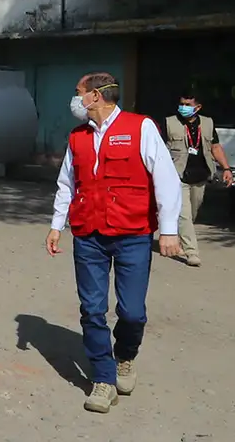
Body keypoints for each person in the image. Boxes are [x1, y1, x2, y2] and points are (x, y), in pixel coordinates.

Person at [45, 72, 182, 414]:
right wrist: (56, 225)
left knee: (132, 312)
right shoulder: (77, 137)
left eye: (78, 92)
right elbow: (67, 183)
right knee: (92, 309)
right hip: (88, 234)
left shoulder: (140, 127)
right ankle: (103, 380)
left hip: (132, 233)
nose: (75, 100)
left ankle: (125, 355)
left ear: (95, 96)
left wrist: (168, 230)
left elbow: (165, 178)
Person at [162, 88, 233, 267]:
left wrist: (226, 168)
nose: (183, 107)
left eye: (188, 105)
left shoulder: (207, 123)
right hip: (177, 176)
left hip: (200, 176)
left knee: (192, 213)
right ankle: (191, 252)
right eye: (181, 104)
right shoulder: (169, 123)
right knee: (184, 214)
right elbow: (160, 149)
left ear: (198, 107)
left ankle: (180, 237)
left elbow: (215, 147)